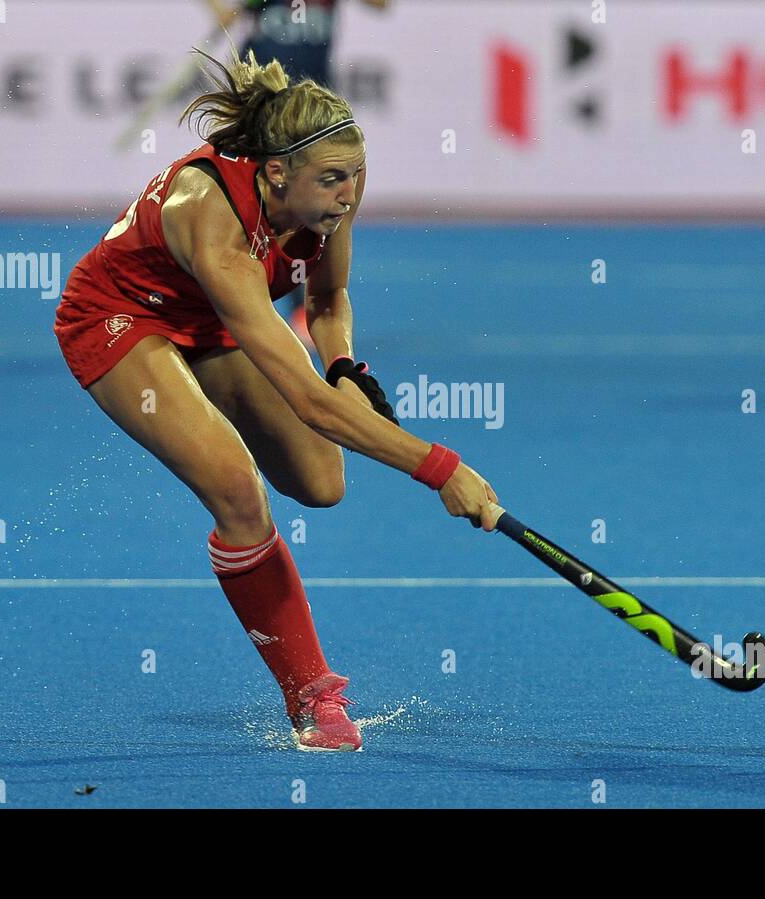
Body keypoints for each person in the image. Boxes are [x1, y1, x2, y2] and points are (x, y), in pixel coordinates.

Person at [53, 50, 499, 752]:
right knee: (237, 490)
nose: (348, 195)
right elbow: (313, 404)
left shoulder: (330, 187)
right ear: (275, 172)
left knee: (321, 483)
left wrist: (344, 362)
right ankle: (312, 695)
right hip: (121, 319)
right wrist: (442, 469)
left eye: (355, 176)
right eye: (333, 180)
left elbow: (326, 296)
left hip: (215, 318)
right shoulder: (210, 216)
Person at [213, 0, 391, 350]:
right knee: (248, 198)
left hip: (310, 107)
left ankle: (304, 308)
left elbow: (381, 5)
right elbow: (224, 13)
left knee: (307, 207)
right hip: (262, 100)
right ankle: (227, 299)